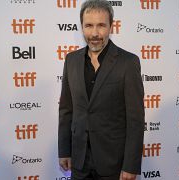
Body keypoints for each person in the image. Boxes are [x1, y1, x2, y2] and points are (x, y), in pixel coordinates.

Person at [58, 0, 145, 179]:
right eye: (89, 25)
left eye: (101, 25)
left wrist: (130, 166)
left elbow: (135, 120)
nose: (95, 33)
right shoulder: (71, 60)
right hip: (79, 161)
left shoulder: (128, 63)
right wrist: (64, 150)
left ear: (111, 27)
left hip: (113, 163)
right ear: (81, 27)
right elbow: (67, 110)